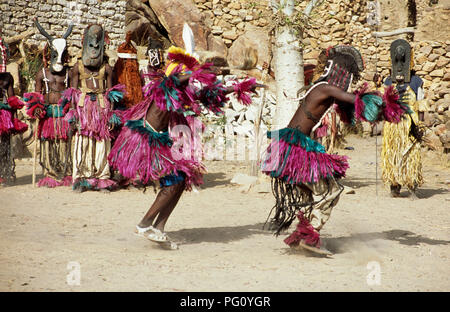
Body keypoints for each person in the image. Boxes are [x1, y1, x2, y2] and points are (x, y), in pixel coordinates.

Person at [108, 28, 258, 249]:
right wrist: (201, 70)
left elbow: (207, 94)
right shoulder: (167, 84)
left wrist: (238, 87)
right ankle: (144, 224)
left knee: (181, 181)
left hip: (162, 139)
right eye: (189, 73)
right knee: (173, 183)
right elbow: (178, 77)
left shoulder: (183, 89)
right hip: (147, 139)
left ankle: (158, 228)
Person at [260, 45, 411, 255]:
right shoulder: (326, 88)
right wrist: (388, 105)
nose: (349, 78)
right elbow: (355, 100)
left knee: (312, 193)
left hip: (292, 146)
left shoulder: (323, 88)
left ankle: (303, 236)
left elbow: (350, 107)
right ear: (340, 70)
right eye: (348, 73)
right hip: (295, 149)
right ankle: (309, 235)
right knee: (331, 191)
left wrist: (381, 110)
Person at [64, 24, 124, 192]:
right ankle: (82, 177)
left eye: (98, 43)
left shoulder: (107, 68)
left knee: (102, 142)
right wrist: (73, 113)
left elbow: (111, 92)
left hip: (101, 107)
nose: (95, 47)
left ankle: (101, 177)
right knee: (82, 142)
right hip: (83, 109)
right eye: (91, 43)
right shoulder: (78, 67)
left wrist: (111, 114)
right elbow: (73, 92)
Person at [23, 18, 75, 187]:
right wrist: (36, 108)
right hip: (47, 115)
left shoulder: (68, 73)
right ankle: (50, 172)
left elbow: (73, 94)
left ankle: (64, 172)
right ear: (49, 54)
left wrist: (72, 110)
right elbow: (37, 95)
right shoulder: (42, 73)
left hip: (63, 115)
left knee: (63, 144)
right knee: (48, 145)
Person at [381, 39, 427, 199]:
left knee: (411, 155)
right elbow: (383, 103)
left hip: (409, 125)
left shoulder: (416, 81)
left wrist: (420, 125)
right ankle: (395, 186)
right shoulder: (387, 81)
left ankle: (412, 186)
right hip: (392, 126)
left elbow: (421, 104)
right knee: (392, 153)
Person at [0, 71, 28, 185]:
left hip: (4, 116)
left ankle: (3, 174)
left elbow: (12, 99)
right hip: (5, 113)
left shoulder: (7, 77)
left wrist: (15, 120)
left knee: (4, 145)